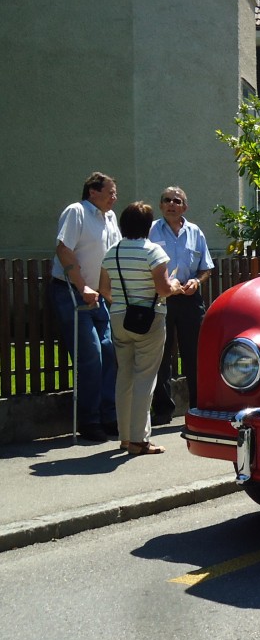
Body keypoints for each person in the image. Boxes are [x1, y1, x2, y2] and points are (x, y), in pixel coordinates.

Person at [99, 202, 183, 455]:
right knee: (145, 378)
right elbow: (163, 289)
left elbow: (104, 289)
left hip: (118, 317)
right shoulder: (153, 251)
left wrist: (123, 305)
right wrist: (177, 286)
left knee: (124, 376)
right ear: (148, 226)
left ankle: (124, 437)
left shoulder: (111, 252)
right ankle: (139, 440)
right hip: (150, 319)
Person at [49, 172, 122, 442]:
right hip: (72, 293)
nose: (115, 197)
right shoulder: (77, 212)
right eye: (110, 192)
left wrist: (108, 293)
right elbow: (63, 249)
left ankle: (109, 415)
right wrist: (83, 287)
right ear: (93, 191)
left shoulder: (111, 218)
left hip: (99, 296)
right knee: (91, 355)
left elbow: (112, 256)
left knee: (110, 350)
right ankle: (89, 420)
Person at [149, 186, 214, 423]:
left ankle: (198, 407)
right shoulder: (151, 231)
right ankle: (163, 410)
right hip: (162, 298)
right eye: (166, 200)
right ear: (160, 205)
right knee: (161, 356)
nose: (171, 204)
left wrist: (197, 281)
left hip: (189, 298)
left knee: (194, 355)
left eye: (176, 201)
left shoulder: (195, 232)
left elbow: (206, 268)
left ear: (184, 206)